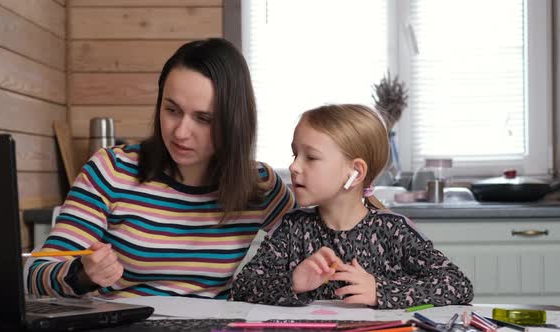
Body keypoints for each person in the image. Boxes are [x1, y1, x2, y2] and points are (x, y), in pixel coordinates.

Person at [26, 38, 295, 299]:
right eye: (172, 110)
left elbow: (315, 253)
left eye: (203, 118)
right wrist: (82, 275)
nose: (180, 132)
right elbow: (36, 274)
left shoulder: (260, 185)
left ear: (234, 122)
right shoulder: (111, 170)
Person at [230, 104, 473, 309]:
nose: (294, 167)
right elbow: (242, 287)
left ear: (355, 173)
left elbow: (457, 284)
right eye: (295, 155)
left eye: (311, 157)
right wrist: (293, 281)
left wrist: (381, 291)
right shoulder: (291, 229)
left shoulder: (393, 231)